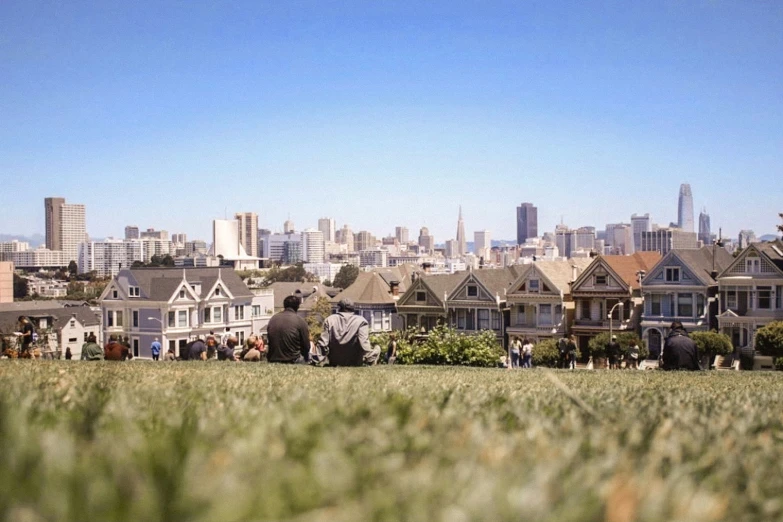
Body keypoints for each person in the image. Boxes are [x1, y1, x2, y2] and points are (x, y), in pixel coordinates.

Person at [316, 298, 380, 366]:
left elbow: (323, 343)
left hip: (335, 361)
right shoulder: (361, 321)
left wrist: (316, 359)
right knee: (377, 347)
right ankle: (372, 360)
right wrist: (370, 357)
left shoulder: (329, 320)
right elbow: (363, 343)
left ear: (339, 308)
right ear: (353, 309)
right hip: (354, 362)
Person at [267, 295, 311, 364]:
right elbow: (306, 346)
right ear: (297, 307)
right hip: (293, 359)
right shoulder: (300, 321)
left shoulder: (273, 319)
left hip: (273, 359)